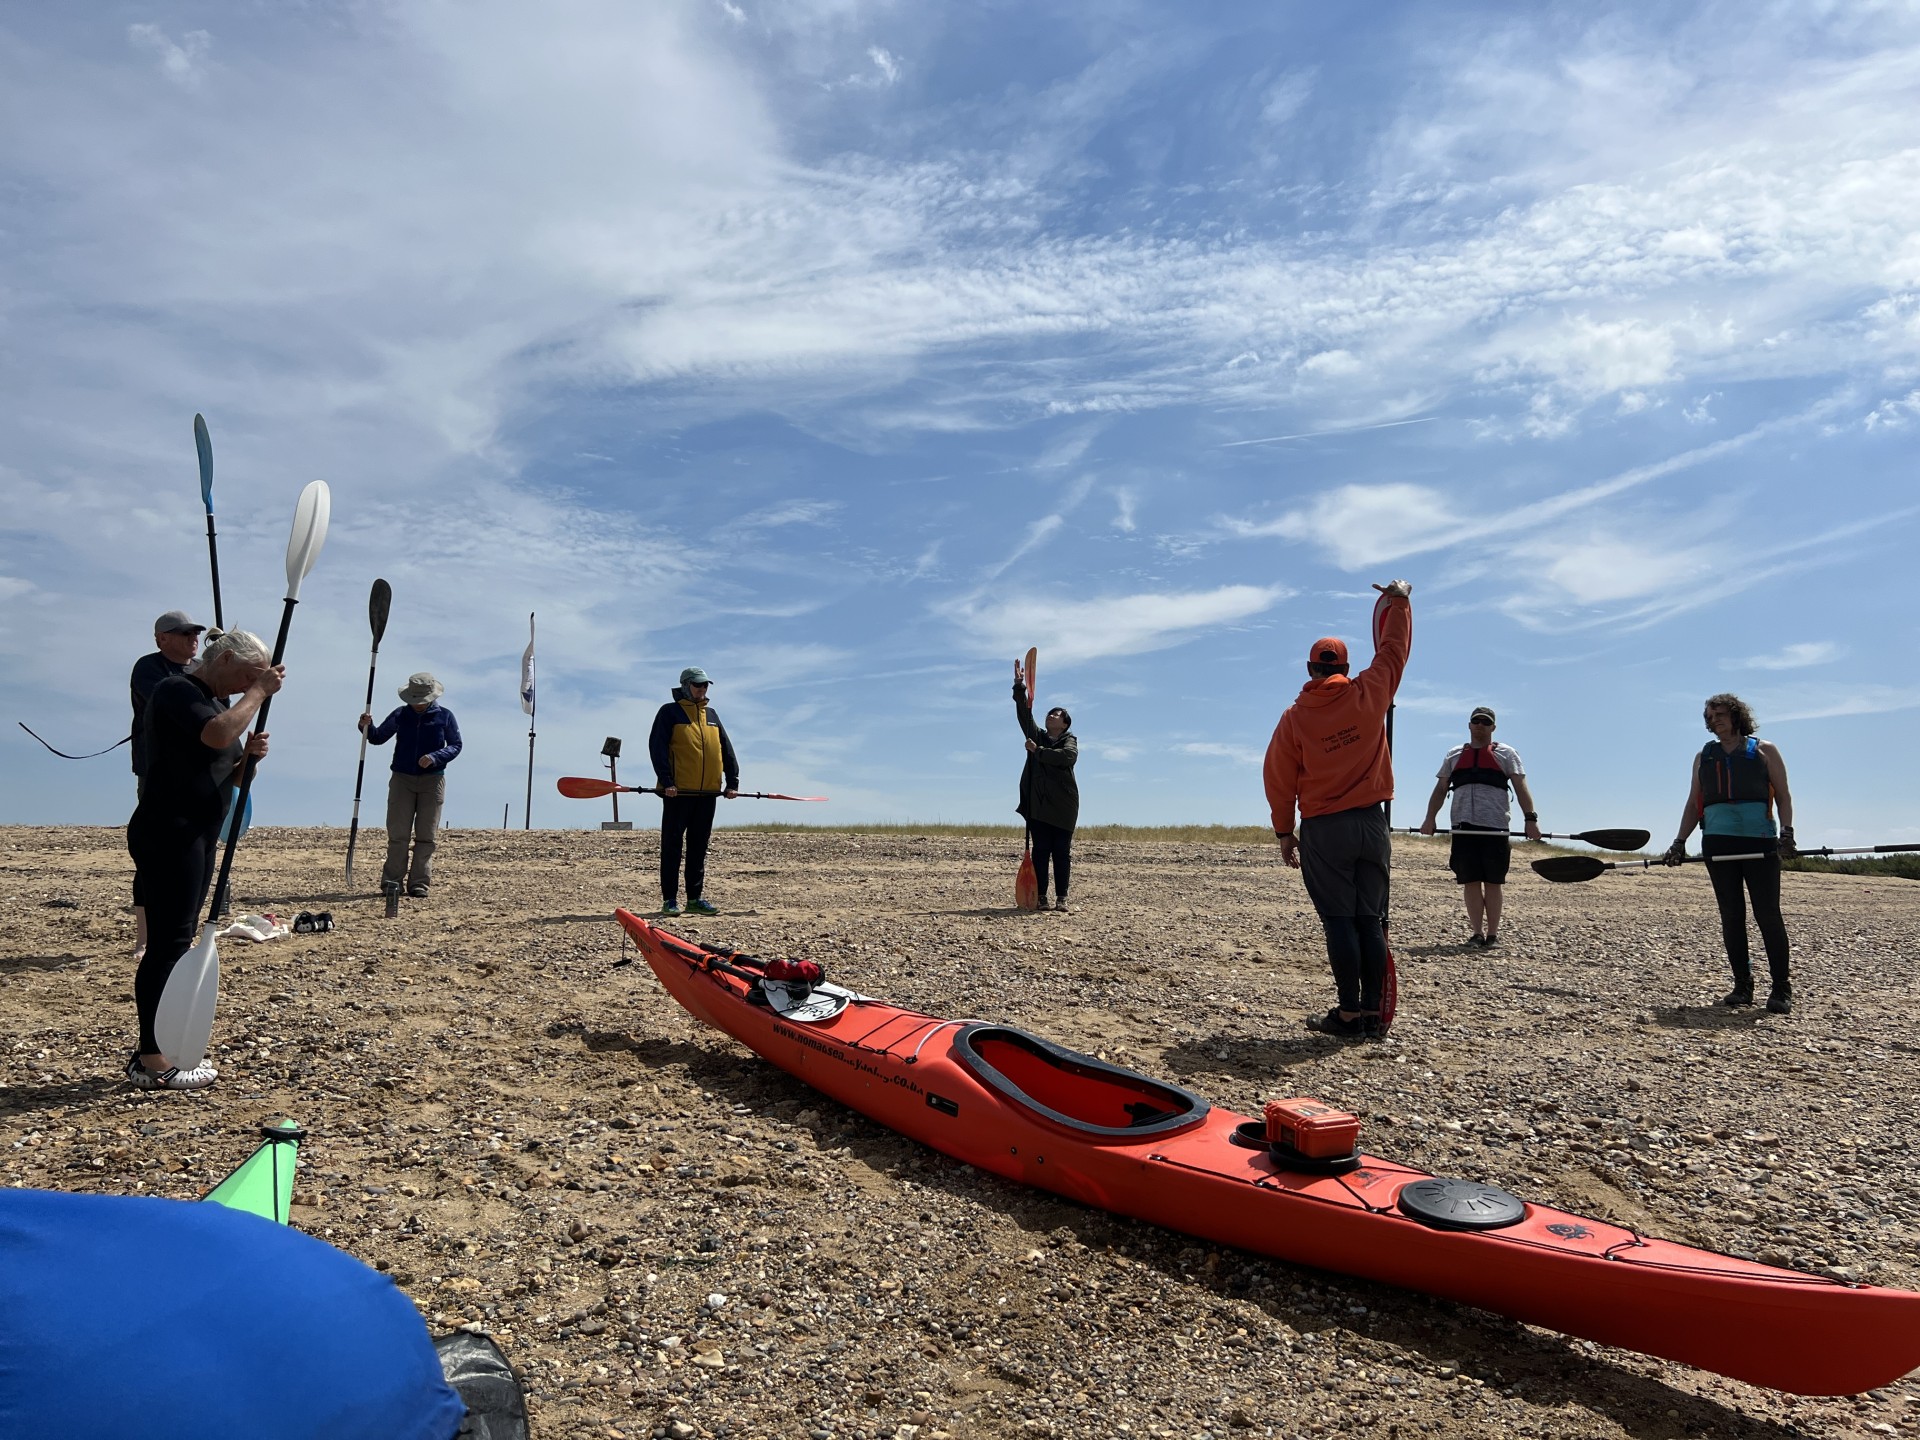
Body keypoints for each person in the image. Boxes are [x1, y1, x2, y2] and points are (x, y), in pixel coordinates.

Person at [125, 628, 280, 1090]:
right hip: (169, 832)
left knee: (178, 940)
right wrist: (259, 691)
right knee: (169, 945)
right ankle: (150, 1059)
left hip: (196, 833)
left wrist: (248, 759)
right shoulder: (178, 690)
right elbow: (215, 737)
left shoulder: (216, 705)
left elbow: (222, 770)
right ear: (226, 658)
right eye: (245, 676)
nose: (247, 685)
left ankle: (161, 1048)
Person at [1263, 581, 1413, 1038]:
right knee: (1371, 919)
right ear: (1346, 666)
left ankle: (1349, 1014)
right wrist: (1401, 602)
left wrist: (1285, 833)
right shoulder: (1371, 691)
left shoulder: (1295, 717)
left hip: (1326, 829)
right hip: (1373, 823)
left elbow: (1278, 779)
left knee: (1339, 920)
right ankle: (1372, 1014)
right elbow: (1393, 651)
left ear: (1310, 668)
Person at [1663, 693, 1797, 1013]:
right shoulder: (1703, 756)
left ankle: (1780, 987)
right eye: (1709, 717)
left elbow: (1784, 796)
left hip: (1759, 840)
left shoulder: (1765, 750)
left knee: (1768, 914)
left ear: (1736, 715)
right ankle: (1743, 986)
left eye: (1720, 714)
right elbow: (1694, 801)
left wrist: (1787, 833)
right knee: (1732, 915)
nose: (1714, 720)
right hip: (1718, 842)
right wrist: (1679, 842)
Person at [1417, 706, 1543, 946]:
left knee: (1493, 882)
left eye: (1485, 722)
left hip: (1494, 827)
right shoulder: (1454, 754)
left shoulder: (1507, 754)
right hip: (1463, 826)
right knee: (1470, 880)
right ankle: (1476, 933)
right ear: (1469, 725)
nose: (1480, 726)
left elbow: (1521, 787)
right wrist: (1429, 818)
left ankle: (1493, 934)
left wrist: (1531, 819)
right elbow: (1441, 789)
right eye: (1476, 721)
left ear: (1493, 727)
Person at [128, 610, 209, 963]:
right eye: (184, 633)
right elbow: (180, 708)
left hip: (199, 772)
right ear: (162, 638)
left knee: (194, 851)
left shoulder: (199, 669)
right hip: (157, 770)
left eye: (195, 633)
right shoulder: (149, 669)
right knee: (155, 853)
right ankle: (145, 938)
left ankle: (182, 932)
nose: (193, 638)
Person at [359, 672, 463, 898]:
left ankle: (419, 883)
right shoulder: (400, 715)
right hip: (401, 779)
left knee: (427, 835)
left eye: (421, 701)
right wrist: (366, 726)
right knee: (398, 834)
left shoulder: (445, 716)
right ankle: (391, 882)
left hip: (433, 780)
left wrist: (436, 757)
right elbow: (377, 737)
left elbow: (455, 745)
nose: (417, 705)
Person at [648, 666, 738, 917]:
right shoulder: (669, 712)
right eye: (698, 684)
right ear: (686, 685)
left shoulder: (711, 715)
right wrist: (667, 781)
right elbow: (657, 748)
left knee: (698, 848)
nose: (702, 688)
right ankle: (669, 900)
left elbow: (725, 749)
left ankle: (695, 899)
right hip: (679, 793)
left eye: (705, 685)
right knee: (672, 847)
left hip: (707, 794)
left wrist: (733, 782)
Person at [1013, 664, 1079, 912]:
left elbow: (1066, 758)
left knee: (1061, 852)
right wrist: (1020, 689)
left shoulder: (1069, 741)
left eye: (1057, 714)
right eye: (1049, 713)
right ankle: (1041, 897)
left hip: (1064, 806)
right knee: (1041, 851)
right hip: (1038, 804)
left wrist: (1037, 751)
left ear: (1064, 724)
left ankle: (1062, 898)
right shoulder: (1037, 735)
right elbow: (1024, 715)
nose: (1051, 716)